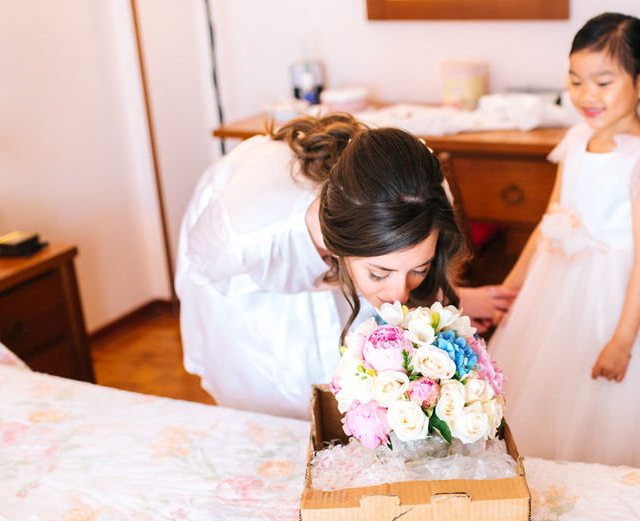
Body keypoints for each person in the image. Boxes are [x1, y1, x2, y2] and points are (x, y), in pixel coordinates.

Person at [486, 12, 640, 477]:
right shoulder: (575, 142)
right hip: (557, 288)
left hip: (621, 299)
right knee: (548, 390)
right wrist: (508, 294)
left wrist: (622, 341)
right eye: (575, 81)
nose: (586, 96)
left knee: (612, 413)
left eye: (602, 81)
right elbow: (547, 224)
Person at [175, 114, 469, 419]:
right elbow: (202, 273)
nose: (400, 295)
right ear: (340, 246)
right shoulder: (245, 235)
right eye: (379, 273)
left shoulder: (421, 195)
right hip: (245, 304)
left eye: (419, 270)